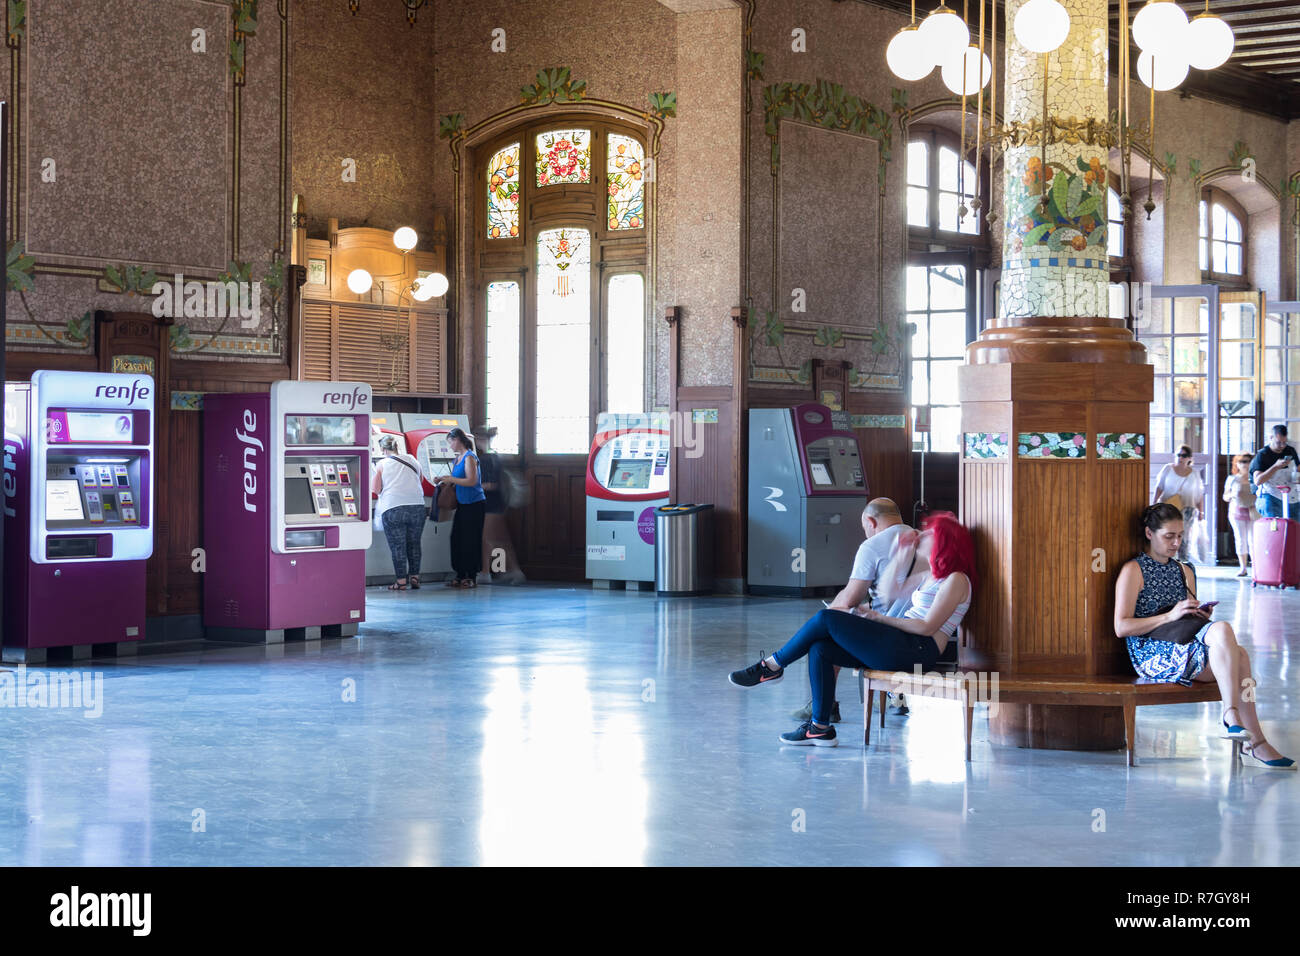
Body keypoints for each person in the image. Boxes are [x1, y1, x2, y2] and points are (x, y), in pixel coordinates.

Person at [728, 512, 974, 747]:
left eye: (929, 533)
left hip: (919, 650)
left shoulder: (956, 579)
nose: (921, 536)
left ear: (943, 542)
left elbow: (927, 626)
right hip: (903, 643)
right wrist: (902, 554)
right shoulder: (932, 574)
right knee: (821, 648)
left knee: (827, 618)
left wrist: (879, 619)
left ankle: (772, 666)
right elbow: (889, 594)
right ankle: (819, 728)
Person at [1114, 503, 1293, 769]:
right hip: (1152, 652)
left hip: (1184, 642)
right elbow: (1122, 627)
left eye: (1180, 536)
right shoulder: (1134, 570)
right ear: (1149, 533)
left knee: (1238, 652)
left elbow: (1188, 618)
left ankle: (1250, 737)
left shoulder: (1184, 570)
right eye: (1169, 536)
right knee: (1228, 637)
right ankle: (1241, 727)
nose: (1176, 543)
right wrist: (1170, 615)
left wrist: (1198, 613)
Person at [790, 498, 914, 724]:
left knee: (832, 628)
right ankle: (895, 694)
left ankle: (825, 705)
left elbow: (850, 597)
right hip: (917, 634)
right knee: (844, 621)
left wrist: (832, 612)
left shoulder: (874, 545)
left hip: (888, 639)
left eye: (864, 527)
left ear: (870, 521)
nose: (865, 532)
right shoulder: (921, 538)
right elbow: (900, 599)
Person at [370, 434, 427, 591]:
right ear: (397, 446)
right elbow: (420, 479)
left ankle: (401, 582)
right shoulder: (412, 459)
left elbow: (376, 489)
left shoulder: (381, 464)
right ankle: (415, 577)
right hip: (417, 507)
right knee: (414, 544)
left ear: (382, 449)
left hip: (393, 507)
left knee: (398, 546)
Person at [434, 427, 486, 589]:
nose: (450, 446)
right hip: (462, 504)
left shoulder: (470, 458)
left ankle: (471, 575)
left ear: (457, 440)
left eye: (451, 442)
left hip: (474, 504)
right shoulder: (457, 459)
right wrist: (444, 479)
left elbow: (472, 481)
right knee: (457, 538)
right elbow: (456, 479)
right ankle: (460, 573)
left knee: (471, 540)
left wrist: (452, 479)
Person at [473, 425, 525, 586]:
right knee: (499, 540)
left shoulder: (486, 459)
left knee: (487, 539)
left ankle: (486, 573)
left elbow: (491, 484)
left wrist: (470, 485)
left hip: (490, 505)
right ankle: (507, 571)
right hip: (498, 504)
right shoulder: (495, 457)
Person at [1152, 446, 1205, 563]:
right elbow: (1159, 487)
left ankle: (1182, 563)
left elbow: (1199, 494)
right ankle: (1166, 560)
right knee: (1167, 534)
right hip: (1168, 509)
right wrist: (1154, 503)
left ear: (1190, 458)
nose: (1180, 458)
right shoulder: (1167, 469)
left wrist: (1201, 511)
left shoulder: (1194, 473)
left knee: (1183, 538)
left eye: (1184, 455)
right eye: (1178, 455)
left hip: (1187, 509)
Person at [1250, 424, 1300, 519]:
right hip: (1271, 496)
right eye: (1278, 442)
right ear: (1271, 437)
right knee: (1276, 528)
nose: (1282, 446)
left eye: (1284, 442)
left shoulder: (1290, 450)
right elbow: (1257, 481)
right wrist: (1275, 467)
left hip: (1292, 496)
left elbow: (1298, 468)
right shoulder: (1262, 455)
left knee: (1295, 529)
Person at [1222, 452, 1258, 577]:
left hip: (1253, 511)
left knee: (1253, 540)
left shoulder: (1255, 477)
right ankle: (1243, 567)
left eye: (1248, 461)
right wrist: (1233, 494)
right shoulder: (1232, 479)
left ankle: (1256, 568)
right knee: (1240, 540)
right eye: (1242, 461)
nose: (1245, 464)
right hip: (1236, 512)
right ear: (1237, 463)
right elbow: (1225, 497)